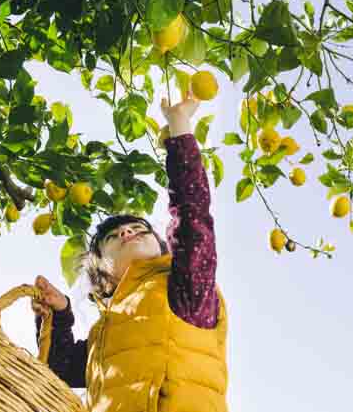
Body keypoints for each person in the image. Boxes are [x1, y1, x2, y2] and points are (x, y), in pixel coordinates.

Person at [32, 89, 228, 412]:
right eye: (113, 237)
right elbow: (59, 369)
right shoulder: (102, 336)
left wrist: (179, 128)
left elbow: (193, 217)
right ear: (102, 278)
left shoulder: (184, 290)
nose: (127, 231)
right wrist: (60, 315)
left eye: (140, 229)